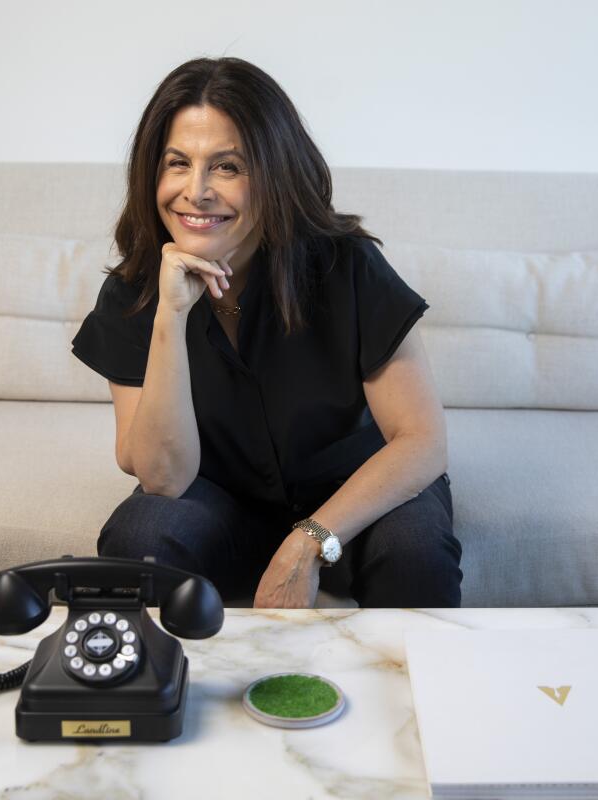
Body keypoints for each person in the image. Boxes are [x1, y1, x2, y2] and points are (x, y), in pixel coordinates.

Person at [71, 56, 462, 608]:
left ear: (274, 173)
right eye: (177, 163)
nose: (197, 191)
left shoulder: (345, 266)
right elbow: (164, 479)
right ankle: (164, 691)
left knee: (415, 550)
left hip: (352, 500)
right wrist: (169, 317)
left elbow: (422, 443)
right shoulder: (134, 292)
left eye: (228, 167)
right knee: (140, 538)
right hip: (220, 503)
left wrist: (309, 542)